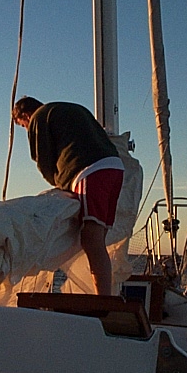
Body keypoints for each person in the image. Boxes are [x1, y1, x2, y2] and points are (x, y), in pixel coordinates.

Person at [12, 96, 124, 295]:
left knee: (91, 238)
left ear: (26, 116)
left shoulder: (39, 117)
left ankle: (103, 300)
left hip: (90, 170)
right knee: (98, 238)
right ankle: (105, 295)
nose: (27, 129)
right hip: (115, 168)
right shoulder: (72, 109)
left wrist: (59, 185)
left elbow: (42, 159)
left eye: (23, 125)